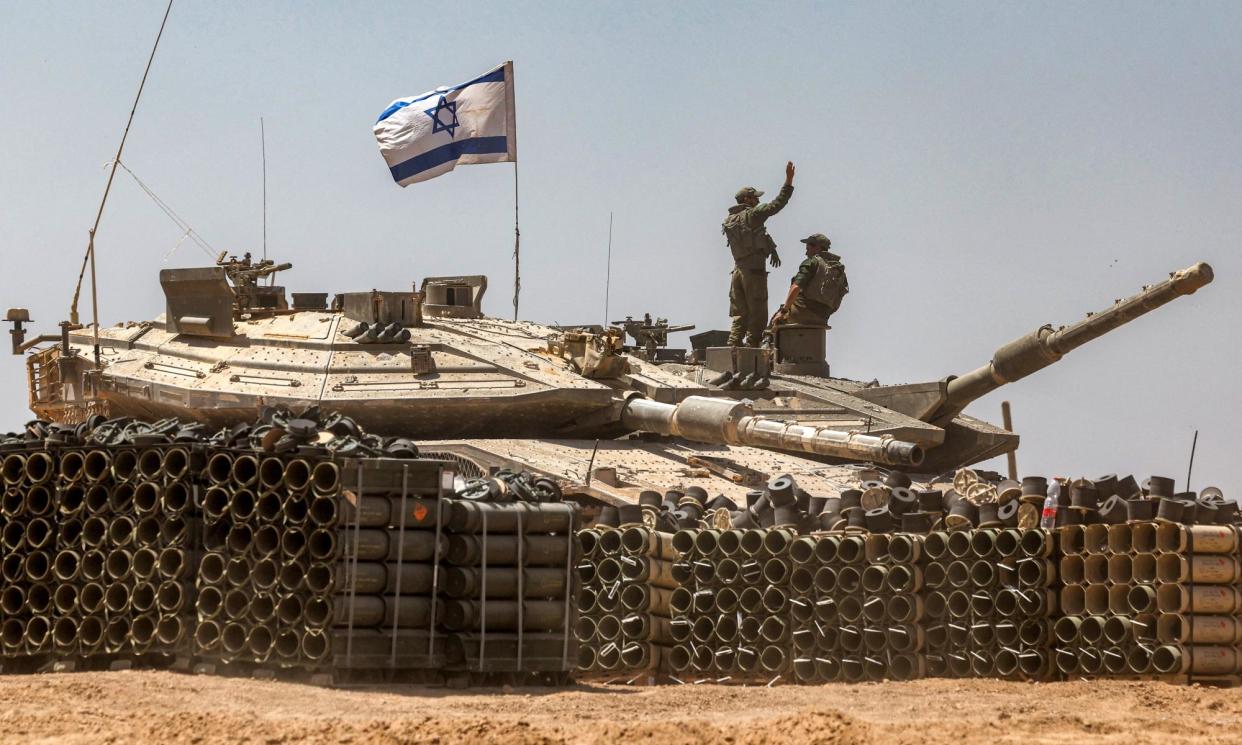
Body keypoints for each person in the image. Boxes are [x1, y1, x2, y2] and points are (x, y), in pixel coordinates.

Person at [723, 161, 795, 346]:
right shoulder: (753, 214)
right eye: (754, 197)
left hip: (737, 271)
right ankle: (752, 350)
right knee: (758, 313)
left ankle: (733, 348)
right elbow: (776, 205)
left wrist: (771, 248)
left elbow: (752, 237)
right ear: (747, 200)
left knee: (740, 314)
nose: (758, 200)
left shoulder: (731, 219)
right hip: (753, 272)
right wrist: (788, 182)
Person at [772, 233, 849, 326]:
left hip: (801, 311)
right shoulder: (838, 269)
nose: (806, 253)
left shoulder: (813, 262)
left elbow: (796, 287)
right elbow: (840, 296)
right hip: (822, 317)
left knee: (775, 321)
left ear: (817, 248)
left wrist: (783, 311)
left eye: (808, 249)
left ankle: (766, 338)